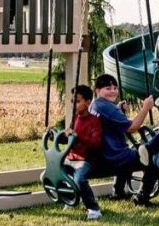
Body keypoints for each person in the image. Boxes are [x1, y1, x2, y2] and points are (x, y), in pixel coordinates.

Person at [89, 74, 159, 207]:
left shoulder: (94, 105)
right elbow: (132, 127)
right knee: (153, 159)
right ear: (97, 90)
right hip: (113, 157)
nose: (113, 91)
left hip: (102, 155)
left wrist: (117, 109)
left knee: (130, 151)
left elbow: (109, 121)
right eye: (108, 88)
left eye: (115, 88)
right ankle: (142, 198)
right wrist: (146, 108)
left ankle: (118, 192)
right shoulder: (107, 107)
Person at [64, 84, 103, 220]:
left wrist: (77, 136)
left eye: (77, 101)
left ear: (88, 102)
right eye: (72, 101)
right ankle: (72, 199)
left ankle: (93, 209)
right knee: (58, 174)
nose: (73, 104)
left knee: (79, 179)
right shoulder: (75, 119)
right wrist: (56, 136)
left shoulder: (94, 121)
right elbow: (69, 140)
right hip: (71, 157)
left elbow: (96, 143)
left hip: (85, 159)